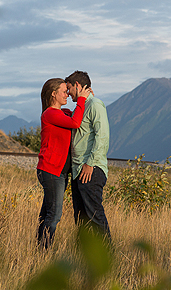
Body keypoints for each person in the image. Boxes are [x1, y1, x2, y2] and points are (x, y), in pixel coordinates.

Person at [36, 77, 91, 249]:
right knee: (54, 215)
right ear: (54, 94)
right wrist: (81, 99)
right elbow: (75, 122)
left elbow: (73, 115)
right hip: (51, 170)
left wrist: (84, 99)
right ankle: (44, 251)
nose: (67, 93)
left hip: (56, 171)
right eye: (63, 91)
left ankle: (39, 250)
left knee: (47, 214)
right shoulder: (50, 114)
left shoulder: (61, 113)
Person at [65, 71, 111, 240]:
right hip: (78, 170)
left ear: (77, 85)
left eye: (69, 88)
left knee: (95, 215)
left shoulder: (95, 105)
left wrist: (90, 163)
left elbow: (102, 136)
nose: (68, 93)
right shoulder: (81, 107)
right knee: (81, 218)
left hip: (90, 169)